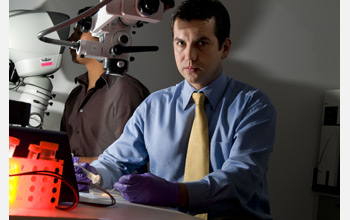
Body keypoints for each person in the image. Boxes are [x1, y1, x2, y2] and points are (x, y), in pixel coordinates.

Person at [77, 0, 277, 219]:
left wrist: (176, 194)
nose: (189, 56)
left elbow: (240, 179)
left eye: (201, 43)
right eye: (180, 43)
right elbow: (116, 161)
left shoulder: (253, 106)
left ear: (225, 48)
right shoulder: (154, 106)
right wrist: (93, 175)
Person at [60, 7, 150, 164]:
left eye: (79, 30)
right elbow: (62, 148)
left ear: (104, 31)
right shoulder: (75, 95)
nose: (71, 38)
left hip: (110, 187)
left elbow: (129, 159)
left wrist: (73, 163)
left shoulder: (126, 92)